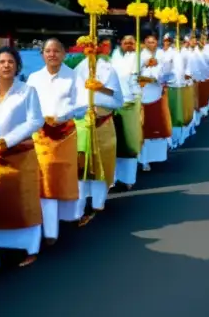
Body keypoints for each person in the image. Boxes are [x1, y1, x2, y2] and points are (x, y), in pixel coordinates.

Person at [0, 46, 44, 267]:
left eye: (10, 62)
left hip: (20, 153)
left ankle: (30, 248)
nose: (6, 65)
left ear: (18, 66)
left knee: (24, 201)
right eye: (2, 62)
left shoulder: (27, 91)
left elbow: (35, 121)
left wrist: (7, 141)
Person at [26, 39, 82, 244]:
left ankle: (67, 217)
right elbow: (27, 106)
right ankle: (50, 231)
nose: (52, 55)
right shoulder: (33, 78)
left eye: (56, 51)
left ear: (64, 54)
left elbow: (82, 106)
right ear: (42, 55)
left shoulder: (73, 76)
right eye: (48, 51)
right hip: (41, 135)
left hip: (65, 133)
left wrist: (66, 115)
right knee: (45, 181)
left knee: (64, 178)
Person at [73, 43, 124, 224]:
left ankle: (98, 203)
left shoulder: (109, 70)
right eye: (88, 48)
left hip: (103, 123)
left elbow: (118, 100)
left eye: (94, 48)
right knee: (81, 167)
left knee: (101, 165)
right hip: (81, 125)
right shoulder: (76, 69)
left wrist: (100, 89)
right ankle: (77, 209)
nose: (91, 51)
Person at [138, 32, 172, 172]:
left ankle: (157, 157)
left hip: (156, 95)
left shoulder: (161, 55)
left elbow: (166, 72)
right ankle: (144, 160)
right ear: (145, 43)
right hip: (142, 97)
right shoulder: (139, 57)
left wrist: (159, 77)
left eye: (154, 42)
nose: (152, 44)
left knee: (156, 129)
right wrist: (145, 66)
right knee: (143, 130)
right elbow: (134, 75)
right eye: (149, 42)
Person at [112, 35, 142, 189]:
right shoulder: (113, 57)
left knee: (129, 142)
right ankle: (114, 178)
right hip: (112, 104)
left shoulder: (139, 57)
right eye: (126, 42)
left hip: (131, 102)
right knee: (115, 142)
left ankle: (128, 179)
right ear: (120, 43)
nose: (129, 45)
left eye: (132, 42)